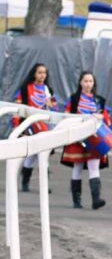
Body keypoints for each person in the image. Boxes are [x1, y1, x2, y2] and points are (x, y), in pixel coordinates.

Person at [59, 71, 110, 210]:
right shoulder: (74, 99)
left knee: (94, 167)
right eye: (85, 81)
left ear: (94, 83)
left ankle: (96, 199)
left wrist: (102, 118)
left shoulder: (100, 100)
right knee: (78, 167)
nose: (88, 84)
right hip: (77, 138)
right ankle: (77, 200)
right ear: (80, 83)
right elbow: (67, 116)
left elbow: (106, 118)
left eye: (90, 81)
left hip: (94, 138)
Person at [12, 63, 61, 192]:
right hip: (28, 125)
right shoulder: (25, 88)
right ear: (34, 73)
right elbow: (17, 109)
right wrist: (17, 128)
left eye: (44, 73)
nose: (42, 75)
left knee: (42, 155)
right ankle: (25, 181)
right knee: (31, 155)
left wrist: (50, 104)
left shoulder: (48, 89)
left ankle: (44, 185)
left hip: (44, 126)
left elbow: (55, 109)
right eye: (39, 72)